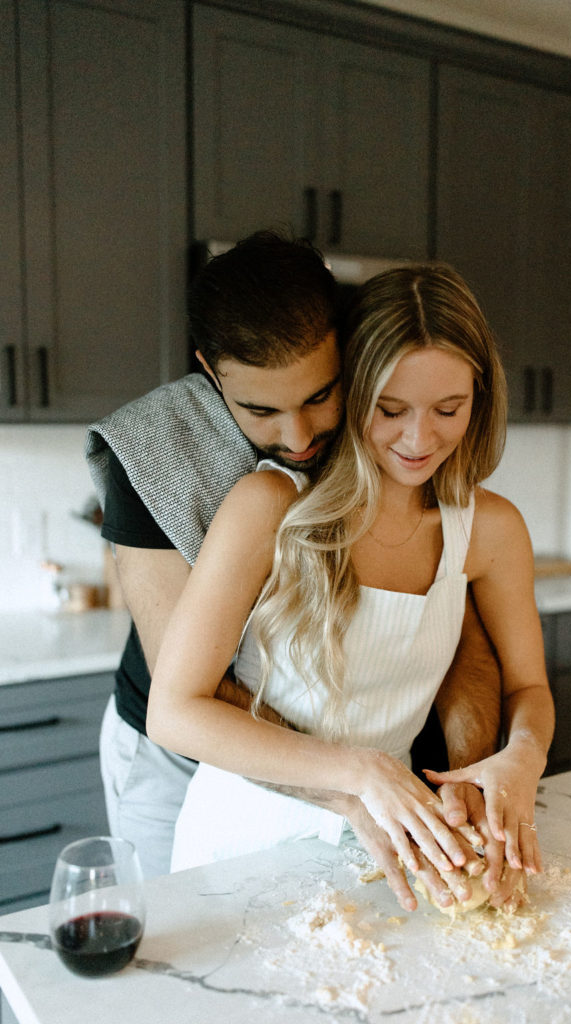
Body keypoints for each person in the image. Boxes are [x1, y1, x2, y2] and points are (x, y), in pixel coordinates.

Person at [85, 232, 505, 891]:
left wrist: (466, 780)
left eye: (318, 398)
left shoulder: (381, 429)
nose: (299, 437)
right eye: (260, 410)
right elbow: (192, 692)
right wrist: (350, 787)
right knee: (171, 935)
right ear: (208, 369)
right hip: (172, 750)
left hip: (344, 760)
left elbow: (457, 633)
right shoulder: (152, 456)